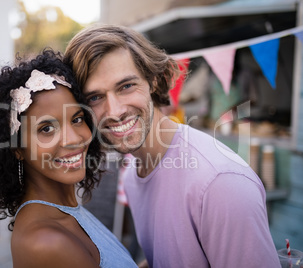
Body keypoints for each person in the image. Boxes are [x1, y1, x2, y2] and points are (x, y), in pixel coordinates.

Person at [64, 24, 281, 267]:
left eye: (126, 86)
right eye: (95, 97)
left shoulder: (219, 184)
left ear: (154, 82)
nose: (114, 112)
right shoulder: (135, 175)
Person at [0, 48, 138, 268]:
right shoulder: (46, 242)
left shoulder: (66, 212)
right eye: (47, 128)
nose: (73, 139)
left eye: (77, 119)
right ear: (16, 148)